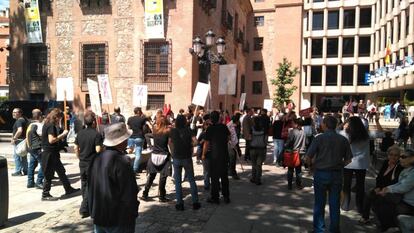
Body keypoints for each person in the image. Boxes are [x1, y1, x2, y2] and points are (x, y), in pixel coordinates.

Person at [88, 123, 139, 233]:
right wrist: (132, 212)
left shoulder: (96, 158)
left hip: (99, 215)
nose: (127, 141)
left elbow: (90, 188)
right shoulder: (121, 161)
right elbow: (129, 192)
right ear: (120, 141)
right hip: (118, 218)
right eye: (125, 139)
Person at [305, 115, 352, 233]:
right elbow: (348, 159)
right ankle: (334, 230)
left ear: (325, 125)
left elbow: (308, 157)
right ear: (335, 125)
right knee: (335, 204)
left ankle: (319, 229)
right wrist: (340, 166)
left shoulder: (319, 138)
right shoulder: (343, 139)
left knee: (319, 204)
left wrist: (311, 166)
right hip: (336, 174)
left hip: (321, 173)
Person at [41, 108, 79, 201]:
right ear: (56, 117)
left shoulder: (47, 123)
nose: (60, 120)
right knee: (49, 174)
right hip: (49, 153)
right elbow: (51, 140)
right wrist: (63, 134)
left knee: (61, 171)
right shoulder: (50, 125)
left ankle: (68, 188)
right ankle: (45, 194)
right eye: (59, 118)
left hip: (52, 152)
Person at [359, 145, 403, 224]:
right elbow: (379, 177)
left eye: (396, 155)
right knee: (368, 194)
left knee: (378, 199)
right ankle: (365, 217)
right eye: (391, 154)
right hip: (381, 188)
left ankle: (382, 222)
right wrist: (378, 187)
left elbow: (395, 182)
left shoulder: (399, 167)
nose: (393, 157)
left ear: (399, 156)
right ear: (388, 155)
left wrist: (383, 189)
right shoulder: (386, 162)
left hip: (391, 190)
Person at [374, 149, 414, 232]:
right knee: (378, 199)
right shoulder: (406, 170)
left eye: (403, 157)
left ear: (412, 159)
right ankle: (387, 226)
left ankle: (388, 227)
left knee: (383, 205)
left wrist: (388, 189)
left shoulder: (412, 172)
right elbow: (399, 183)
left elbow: (404, 187)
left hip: (409, 205)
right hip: (402, 199)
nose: (400, 159)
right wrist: (387, 188)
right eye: (400, 157)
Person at [74, 111, 103, 218]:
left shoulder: (80, 133)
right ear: (94, 122)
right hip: (92, 163)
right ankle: (84, 208)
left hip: (82, 162)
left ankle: (87, 205)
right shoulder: (97, 134)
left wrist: (79, 157)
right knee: (90, 186)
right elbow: (98, 149)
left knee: (84, 184)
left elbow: (75, 147)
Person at [169, 115, 201, 211]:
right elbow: (196, 142)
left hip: (176, 157)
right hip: (187, 157)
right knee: (191, 180)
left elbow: (170, 142)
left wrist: (173, 152)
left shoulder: (173, 131)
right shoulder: (188, 130)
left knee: (178, 182)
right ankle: (195, 202)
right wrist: (189, 145)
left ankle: (179, 204)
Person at [341, 116, 370, 213]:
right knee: (360, 185)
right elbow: (381, 133)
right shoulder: (366, 134)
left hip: (348, 162)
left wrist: (343, 123)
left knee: (346, 184)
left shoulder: (345, 134)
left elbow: (336, 130)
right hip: (361, 163)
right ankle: (360, 206)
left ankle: (346, 203)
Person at [202, 111, 231, 204]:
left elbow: (206, 143)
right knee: (224, 177)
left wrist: (203, 154)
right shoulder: (223, 127)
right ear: (218, 118)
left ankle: (215, 197)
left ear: (211, 119)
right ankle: (226, 197)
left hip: (214, 156)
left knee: (214, 178)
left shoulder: (210, 129)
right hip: (224, 155)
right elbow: (229, 137)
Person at [141, 116, 172, 202]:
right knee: (163, 176)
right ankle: (161, 196)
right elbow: (170, 144)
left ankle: (145, 193)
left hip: (154, 155)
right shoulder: (168, 131)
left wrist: (150, 146)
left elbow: (146, 135)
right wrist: (172, 153)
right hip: (164, 155)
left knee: (151, 176)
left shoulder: (155, 131)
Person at [285, 118, 306, 190]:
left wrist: (285, 145)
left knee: (290, 169)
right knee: (298, 170)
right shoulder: (303, 132)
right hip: (301, 153)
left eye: (293, 123)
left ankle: (289, 185)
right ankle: (298, 184)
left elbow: (289, 142)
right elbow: (306, 142)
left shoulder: (292, 132)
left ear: (296, 124)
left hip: (293, 153)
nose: (292, 124)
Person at [26, 109, 44, 189]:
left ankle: (30, 182)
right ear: (40, 116)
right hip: (37, 148)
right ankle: (39, 182)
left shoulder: (30, 124)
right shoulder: (39, 125)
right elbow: (43, 136)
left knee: (32, 165)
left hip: (30, 147)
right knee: (44, 164)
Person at [127, 107, 148, 173]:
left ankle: (127, 166)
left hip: (131, 137)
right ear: (139, 112)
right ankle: (134, 169)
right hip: (139, 137)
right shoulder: (142, 119)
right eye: (141, 111)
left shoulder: (130, 118)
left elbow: (129, 128)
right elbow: (145, 128)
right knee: (138, 153)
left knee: (130, 151)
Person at [249, 116, 267, 185]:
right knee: (259, 165)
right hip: (261, 148)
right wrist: (264, 145)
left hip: (253, 148)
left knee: (253, 164)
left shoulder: (252, 129)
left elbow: (249, 138)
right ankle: (258, 179)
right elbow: (265, 139)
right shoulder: (263, 129)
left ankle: (253, 178)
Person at [11, 108, 28, 176]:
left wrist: (14, 138)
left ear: (20, 113)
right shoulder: (24, 119)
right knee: (23, 156)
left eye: (15, 112)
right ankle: (25, 170)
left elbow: (20, 130)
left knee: (17, 156)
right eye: (13, 112)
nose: (13, 113)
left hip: (19, 141)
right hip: (23, 140)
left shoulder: (19, 121)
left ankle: (18, 171)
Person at [227, 113, 241, 180]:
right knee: (232, 159)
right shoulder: (230, 126)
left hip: (234, 144)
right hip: (230, 145)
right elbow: (230, 137)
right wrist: (233, 144)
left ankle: (230, 171)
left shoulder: (233, 125)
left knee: (233, 159)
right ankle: (233, 173)